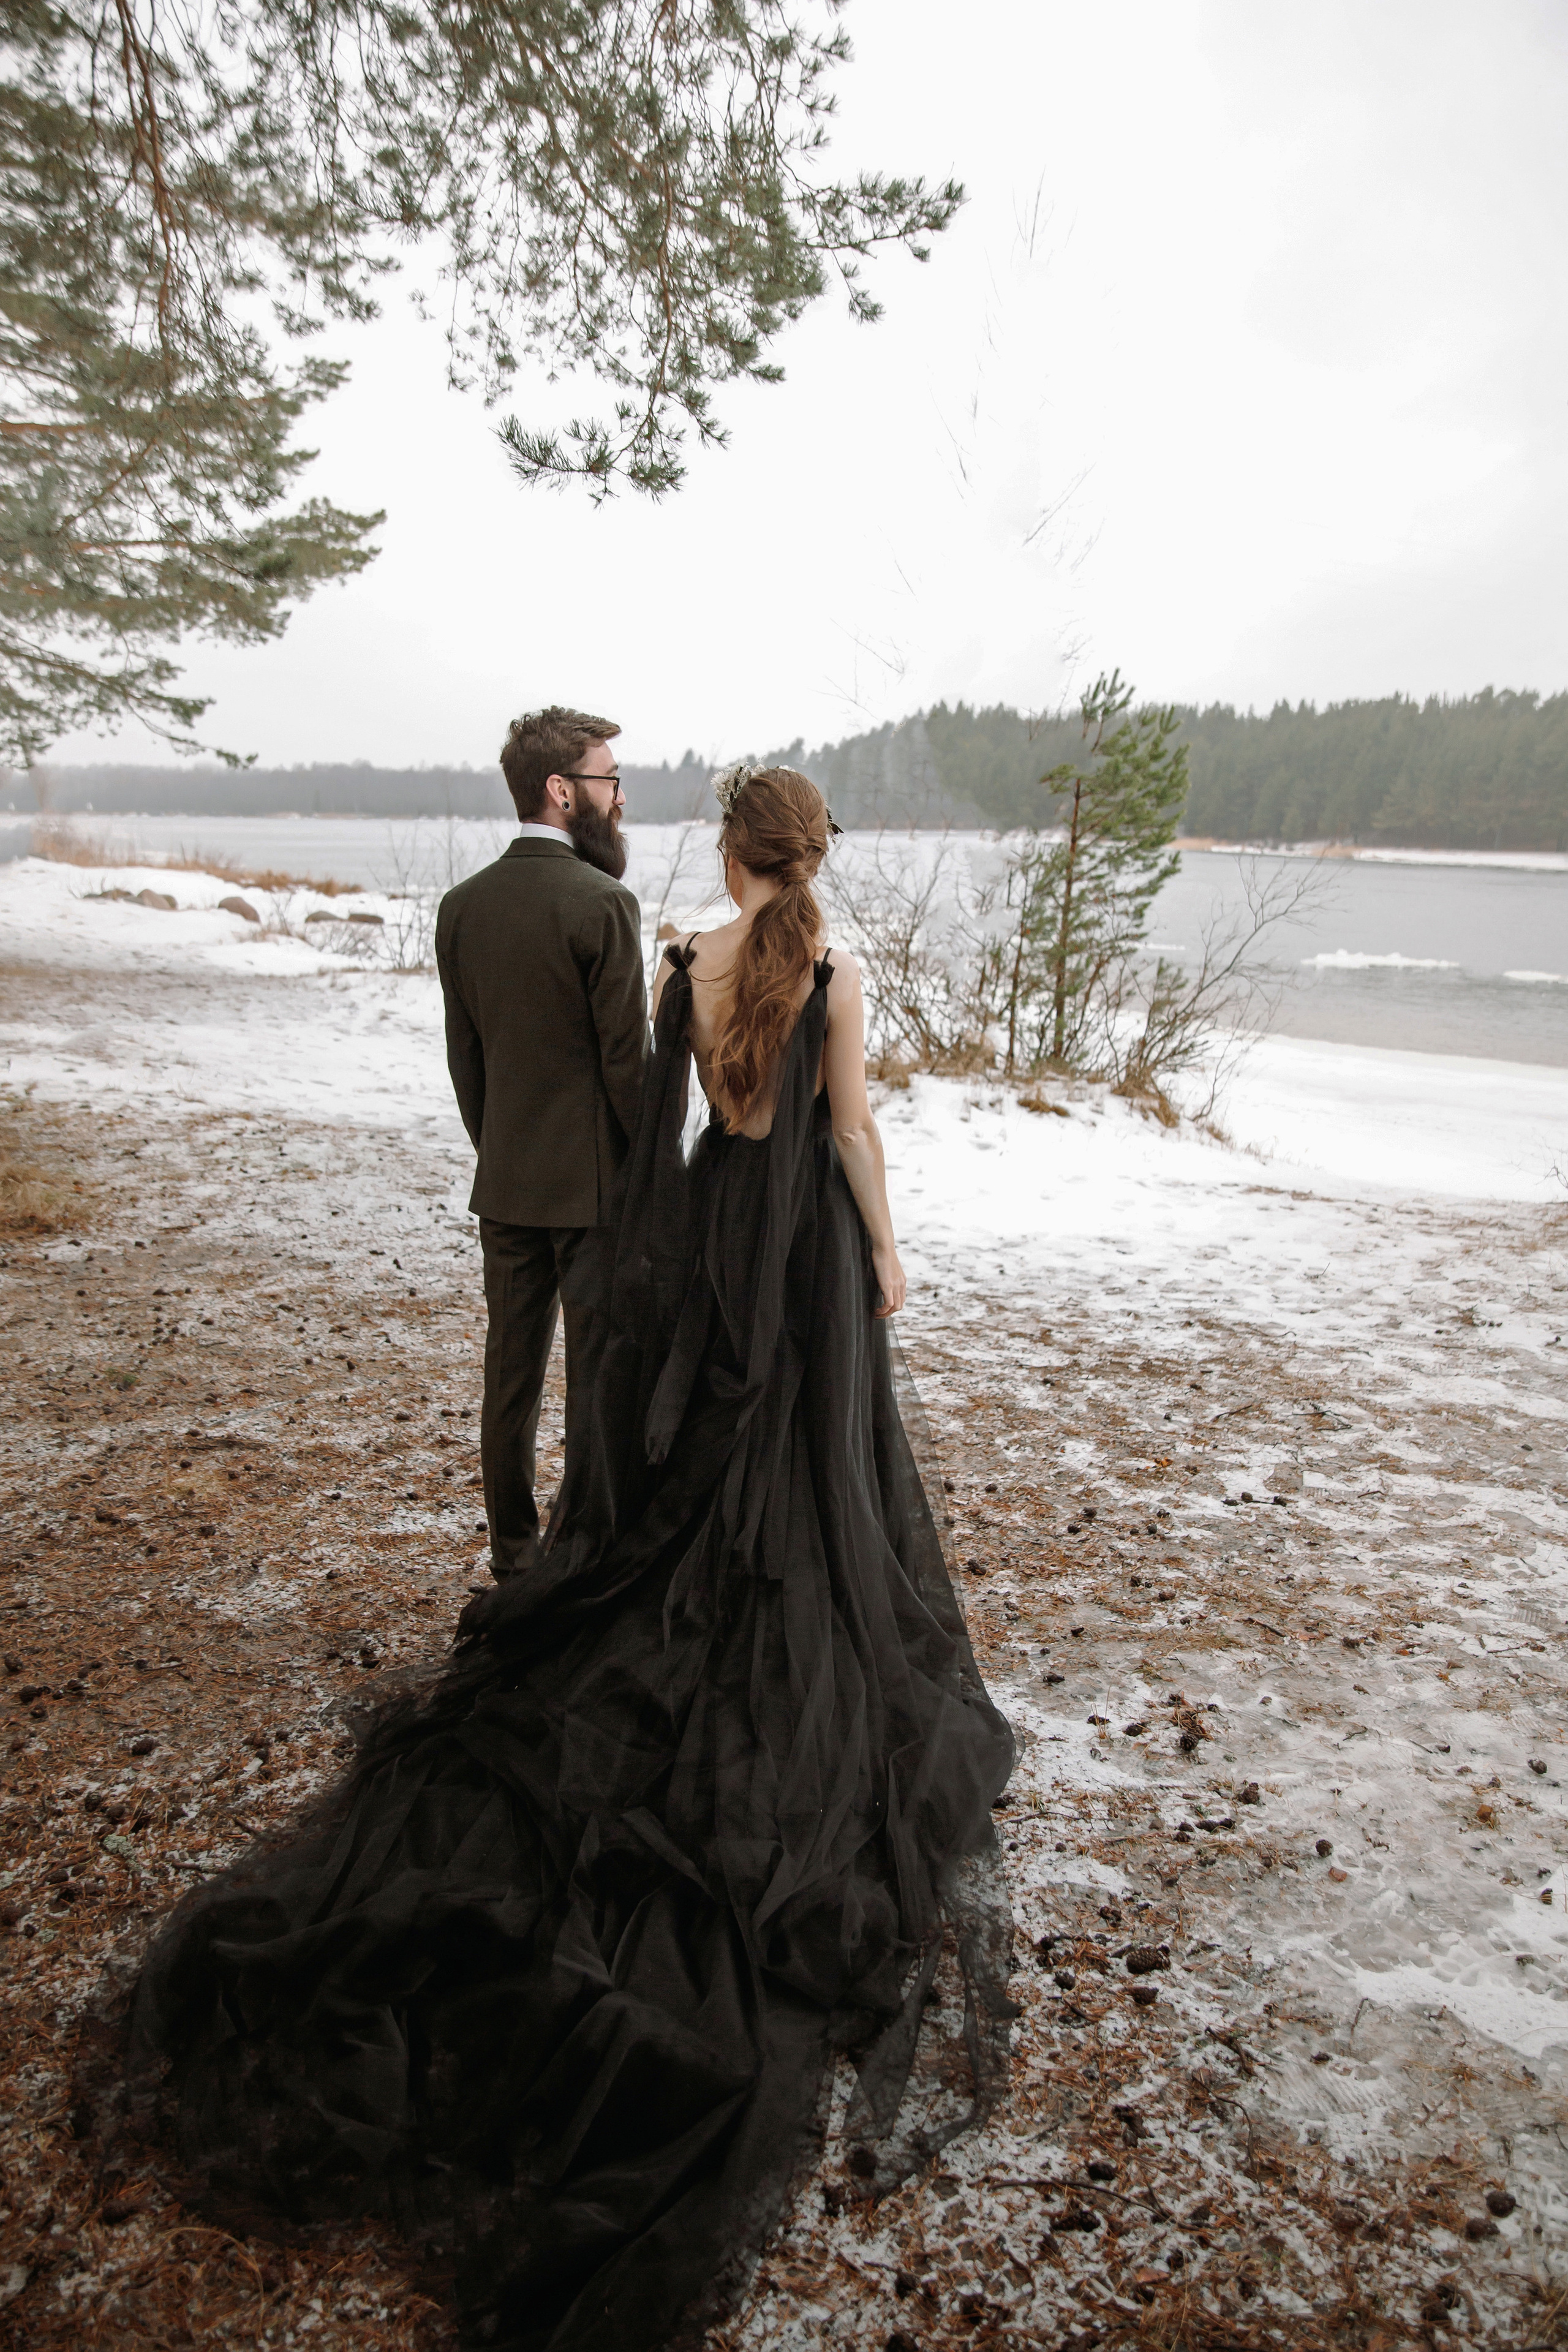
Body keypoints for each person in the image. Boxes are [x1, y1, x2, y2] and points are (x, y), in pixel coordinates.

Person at [124, 766, 1016, 2352]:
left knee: (691, 1479)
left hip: (713, 1219)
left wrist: (650, 1281)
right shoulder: (834, 969)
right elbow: (855, 1127)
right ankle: (777, 1631)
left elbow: (663, 1136)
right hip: (800, 1238)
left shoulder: (689, 959)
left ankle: (708, 1601)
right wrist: (882, 1248)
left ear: (731, 855)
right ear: (810, 857)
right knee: (809, 1478)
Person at [435, 707, 647, 1578]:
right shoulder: (604, 903)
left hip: (509, 1180)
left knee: (510, 1380)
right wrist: (651, 1180)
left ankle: (517, 1557)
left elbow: (467, 1062)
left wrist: (506, 1149)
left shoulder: (462, 906)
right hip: (595, 1193)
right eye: (608, 780)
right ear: (562, 792)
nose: (620, 797)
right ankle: (586, 1556)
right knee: (596, 1383)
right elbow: (628, 1069)